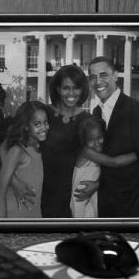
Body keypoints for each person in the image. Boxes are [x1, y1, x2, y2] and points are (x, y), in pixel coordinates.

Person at [77, 56, 139, 217]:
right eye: (93, 77)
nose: (98, 81)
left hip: (131, 203)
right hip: (102, 201)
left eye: (103, 75)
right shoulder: (96, 113)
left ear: (115, 76)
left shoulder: (136, 110)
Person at [39, 64, 91, 218]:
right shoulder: (43, 114)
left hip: (74, 196)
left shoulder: (88, 121)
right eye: (66, 88)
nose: (71, 93)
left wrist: (96, 184)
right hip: (42, 193)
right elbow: (9, 145)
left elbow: (102, 160)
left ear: (82, 90)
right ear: (57, 89)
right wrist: (16, 181)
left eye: (76, 88)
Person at [71, 114, 138, 218]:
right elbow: (114, 162)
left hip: (93, 193)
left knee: (95, 223)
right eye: (91, 140)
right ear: (83, 140)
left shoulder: (99, 150)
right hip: (80, 194)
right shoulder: (86, 151)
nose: (97, 143)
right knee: (80, 225)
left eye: (100, 137)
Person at [0, 100, 49, 218]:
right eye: (37, 124)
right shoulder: (18, 151)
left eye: (45, 122)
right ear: (26, 126)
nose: (44, 127)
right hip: (14, 220)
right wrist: (3, 230)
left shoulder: (39, 148)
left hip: (33, 220)